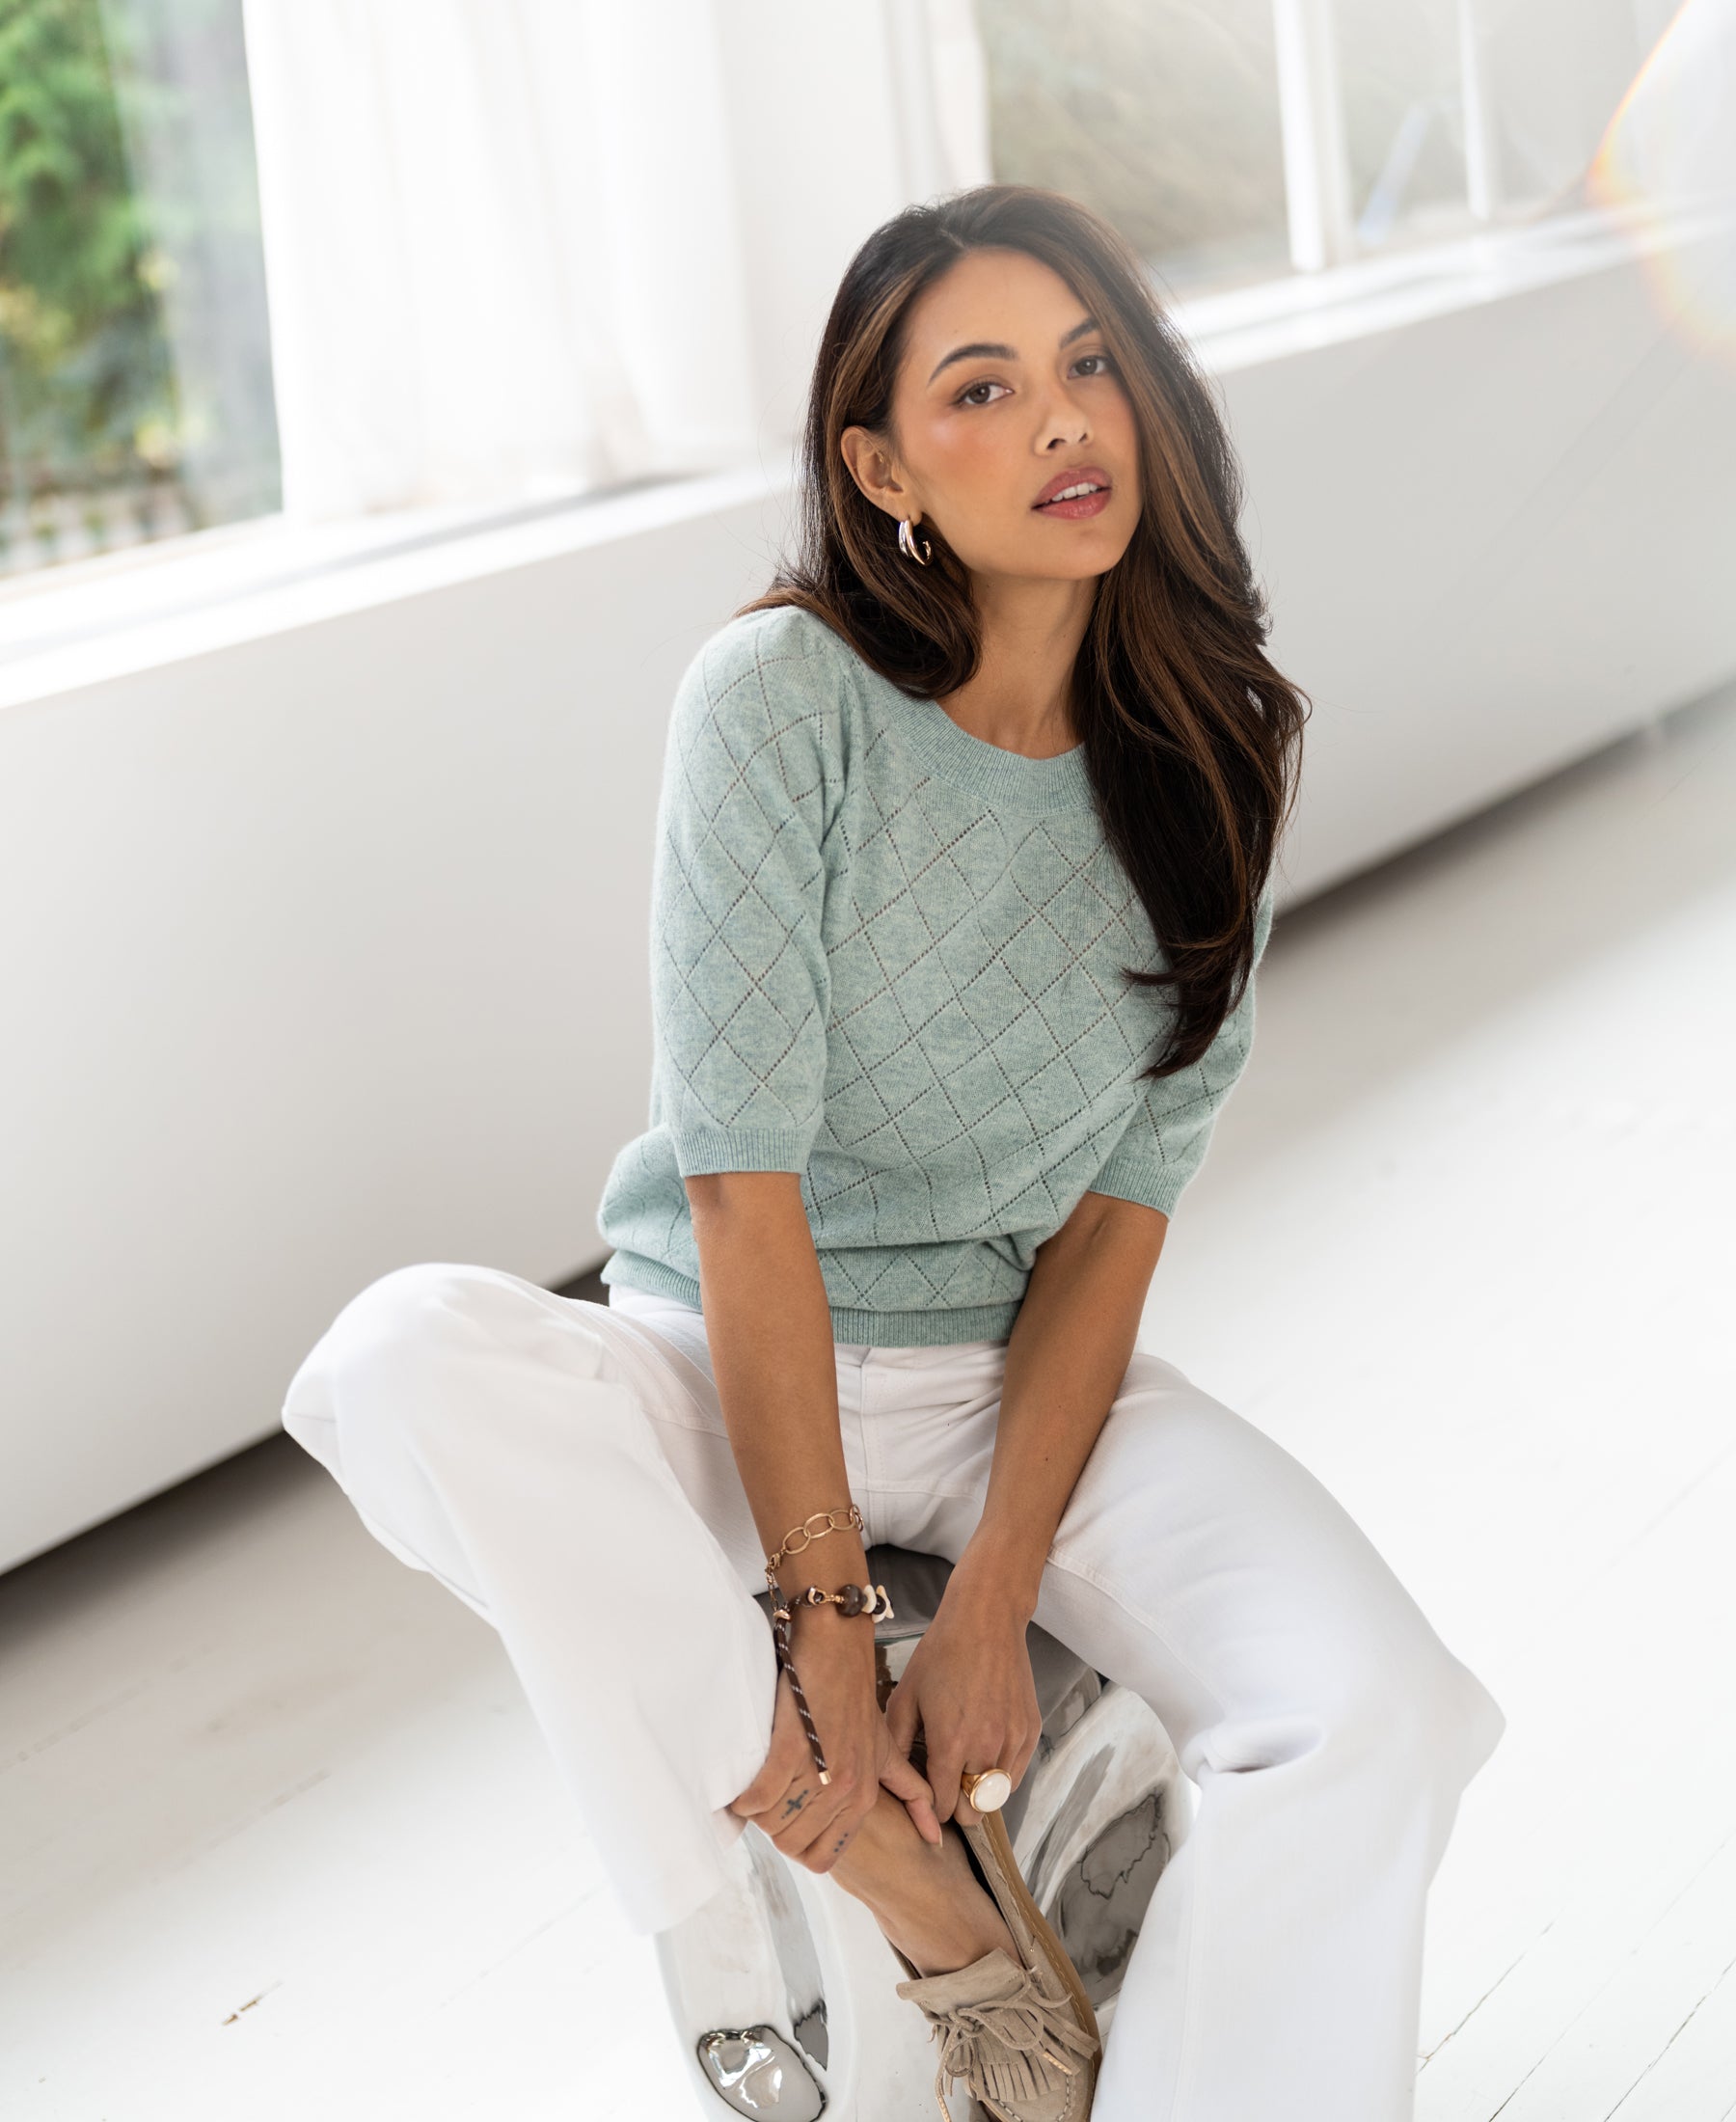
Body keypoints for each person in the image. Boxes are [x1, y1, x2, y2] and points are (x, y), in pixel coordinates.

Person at [282, 183, 1505, 2122]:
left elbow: (1121, 1213)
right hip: (708, 1355)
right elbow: (738, 1185)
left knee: (1385, 1708)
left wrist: (997, 1587)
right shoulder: (779, 704)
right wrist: (827, 1618)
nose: (1064, 423)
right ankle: (864, 1862)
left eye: (1093, 365)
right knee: (396, 1358)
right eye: (986, 388)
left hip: (1003, 1379)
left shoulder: (1214, 756)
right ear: (882, 468)